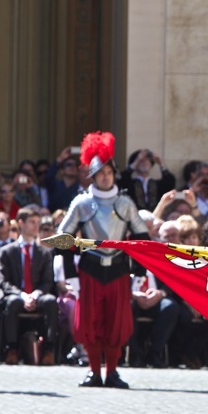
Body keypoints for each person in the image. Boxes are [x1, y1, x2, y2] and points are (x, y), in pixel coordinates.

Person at [57, 131, 150, 388]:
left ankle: (112, 372)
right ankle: (94, 372)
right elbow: (62, 240)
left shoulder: (125, 203)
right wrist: (71, 275)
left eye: (109, 172)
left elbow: (142, 239)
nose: (105, 177)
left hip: (119, 270)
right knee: (91, 323)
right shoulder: (81, 203)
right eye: (100, 173)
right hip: (89, 270)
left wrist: (139, 273)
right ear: (93, 176)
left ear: (114, 175)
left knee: (116, 325)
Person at [0, 207, 58, 366]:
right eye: (32, 222)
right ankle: (12, 349)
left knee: (51, 301)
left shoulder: (44, 252)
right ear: (21, 223)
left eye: (37, 222)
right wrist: (23, 296)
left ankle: (49, 350)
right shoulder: (6, 251)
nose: (36, 226)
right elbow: (4, 282)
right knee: (12, 303)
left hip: (37, 294)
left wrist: (35, 294)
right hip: (16, 294)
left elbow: (47, 281)